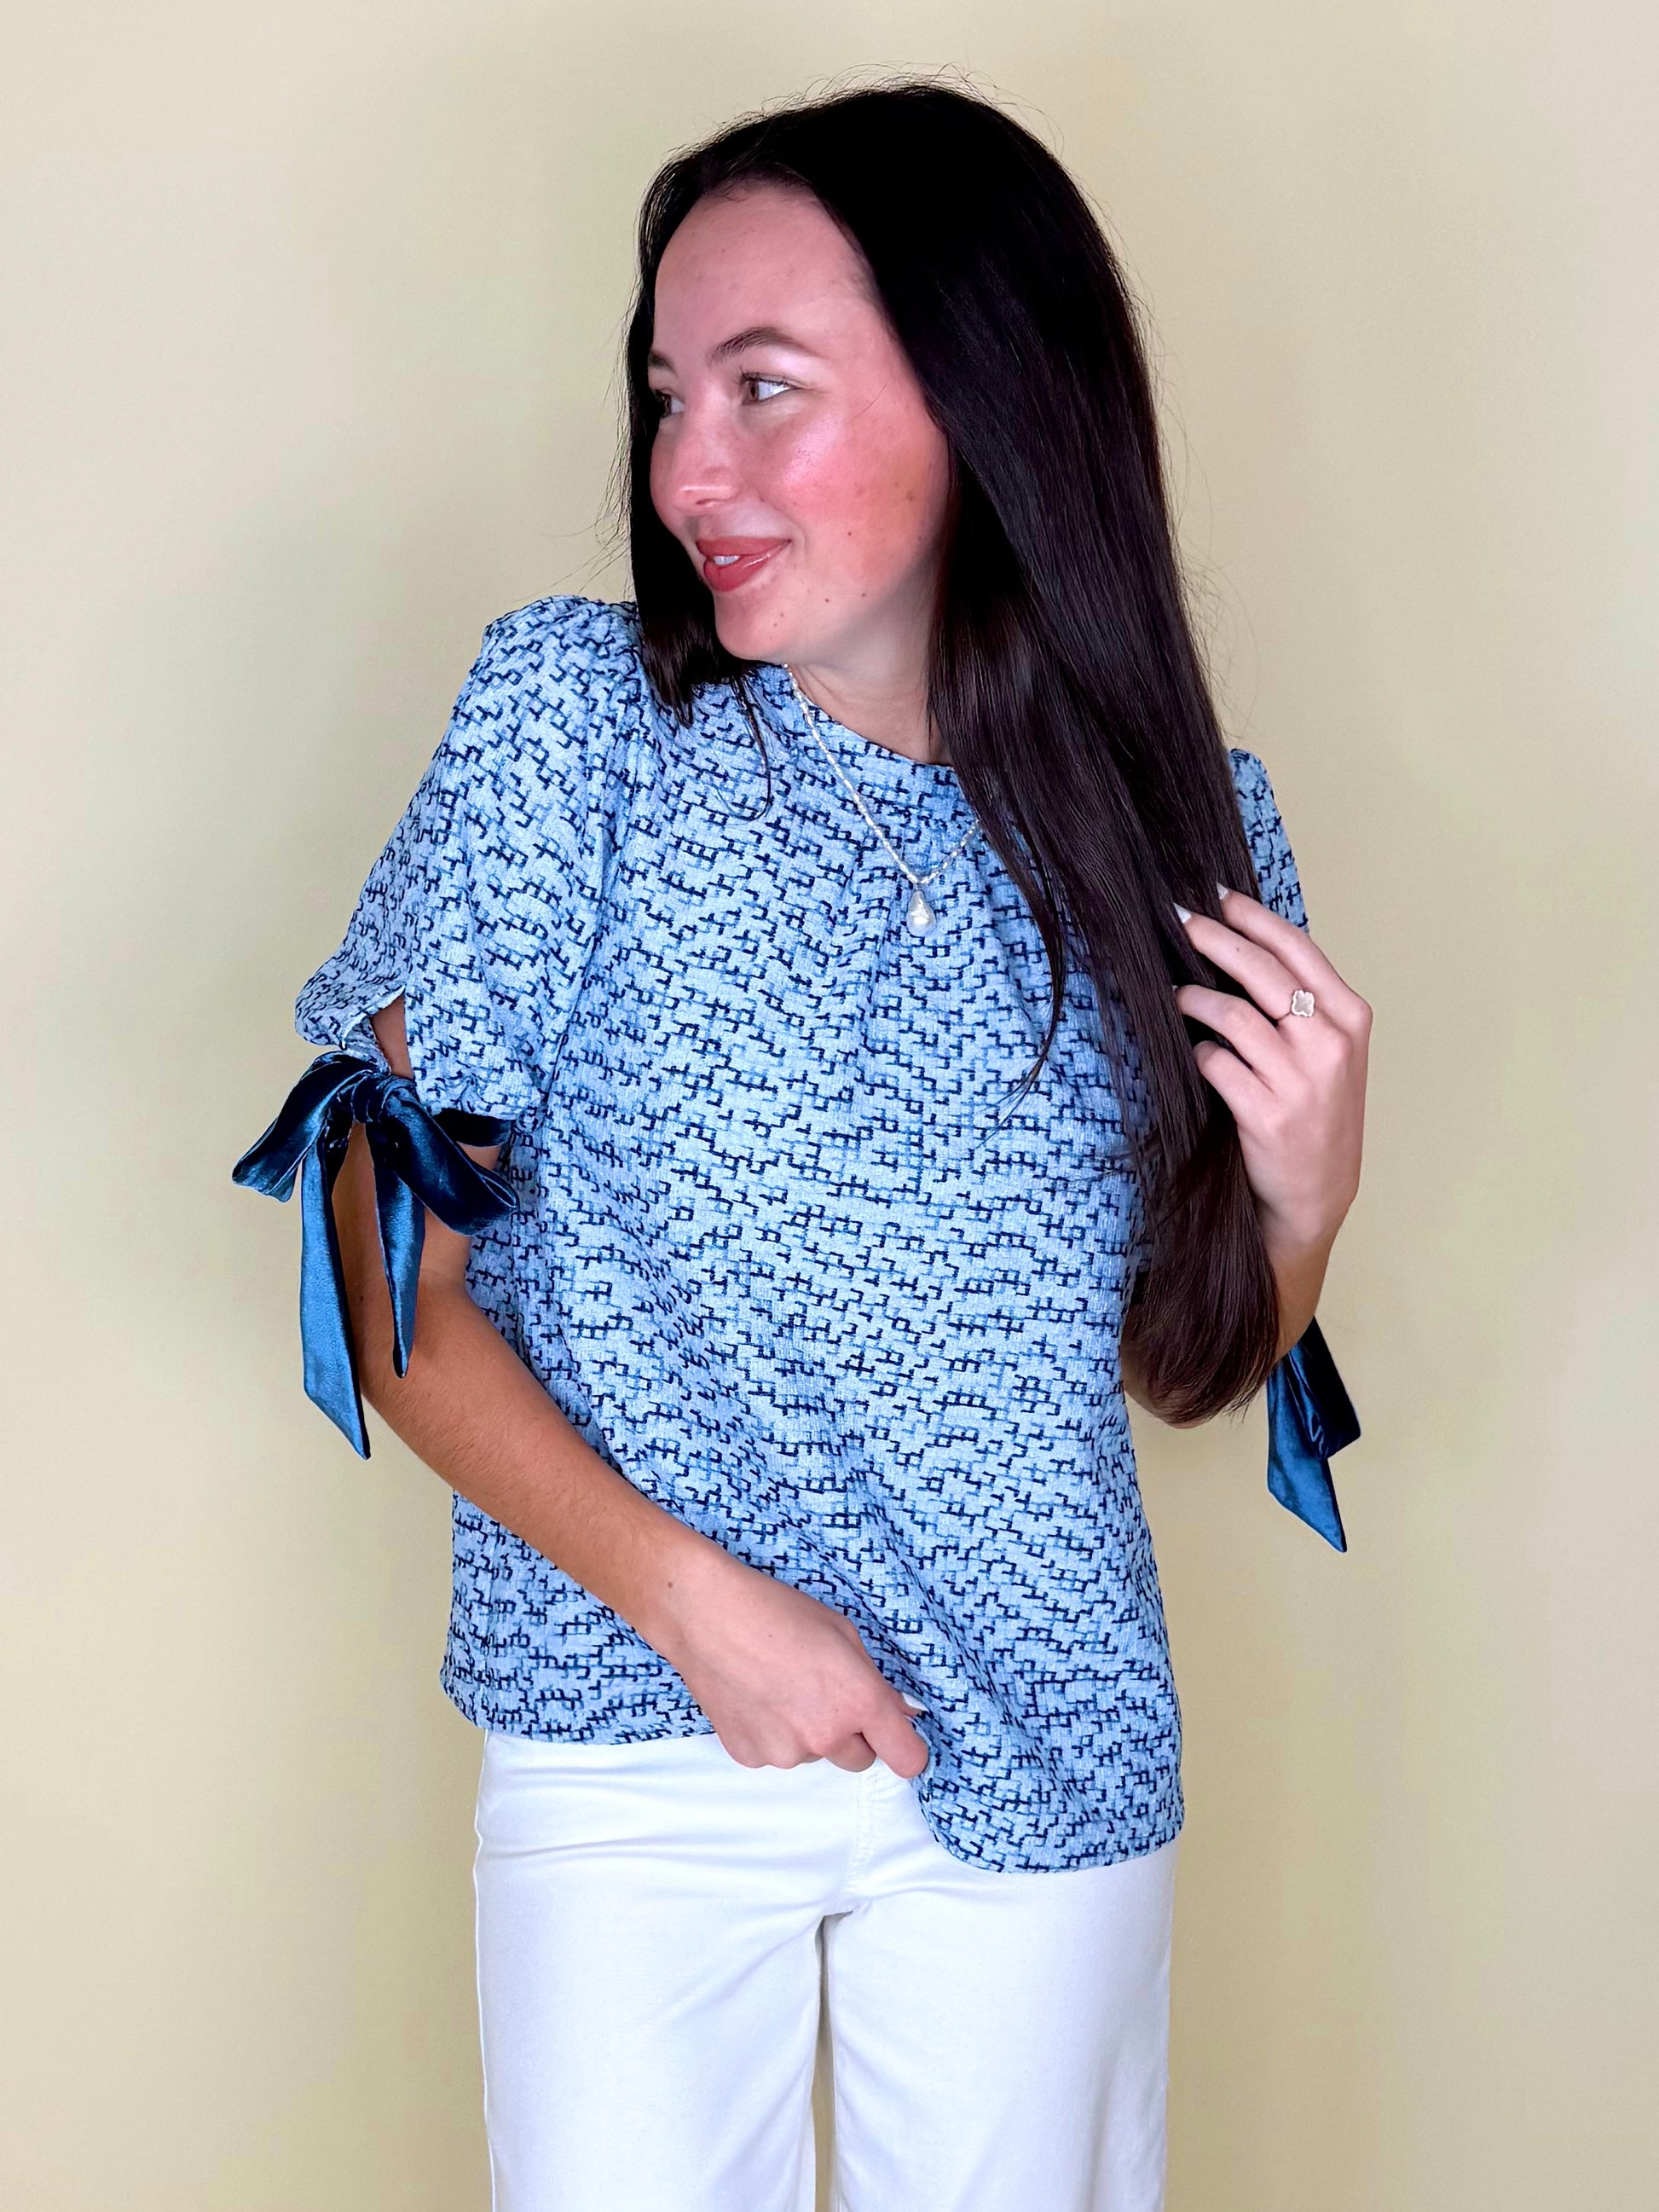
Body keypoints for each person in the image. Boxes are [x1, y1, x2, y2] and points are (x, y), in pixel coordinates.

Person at [237, 79, 1369, 2212]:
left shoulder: (1183, 827)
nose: (687, 469)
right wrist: (707, 1613)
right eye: (669, 392)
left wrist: (1305, 1193)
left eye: (764, 386)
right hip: (630, 1731)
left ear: (986, 395)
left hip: (1047, 1741)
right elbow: (385, 1285)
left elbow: (1178, 1367)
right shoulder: (572, 728)